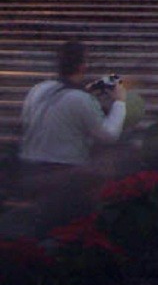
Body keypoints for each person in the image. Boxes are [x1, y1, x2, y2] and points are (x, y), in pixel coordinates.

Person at [13, 40, 128, 235]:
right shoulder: (81, 99)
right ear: (83, 66)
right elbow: (109, 135)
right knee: (67, 228)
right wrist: (119, 102)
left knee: (40, 228)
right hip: (63, 173)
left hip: (30, 168)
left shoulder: (38, 90)